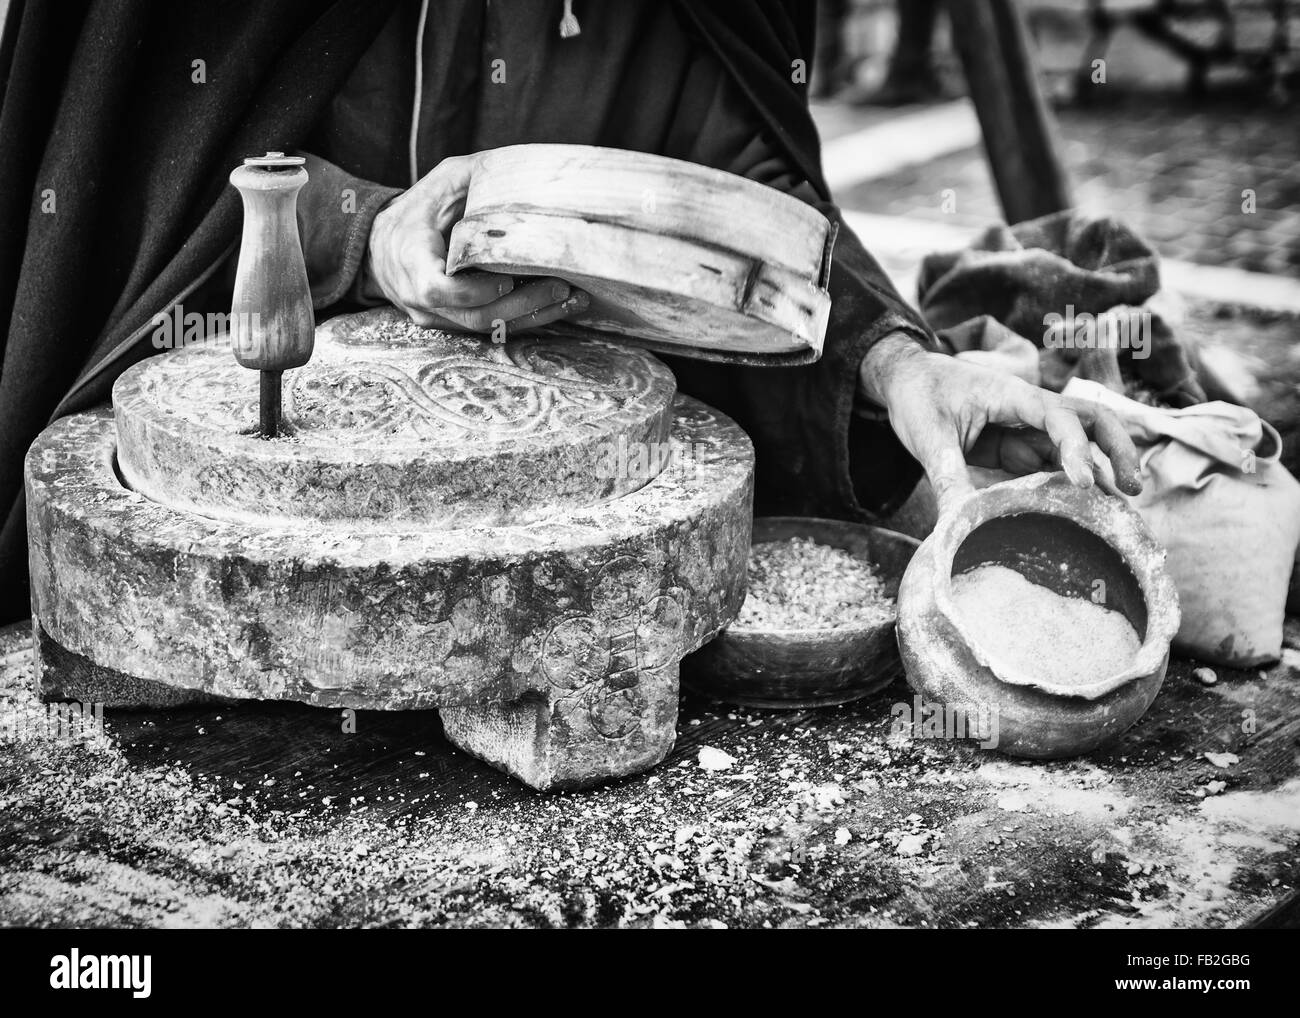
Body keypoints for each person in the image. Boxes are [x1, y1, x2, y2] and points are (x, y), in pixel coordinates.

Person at [0, 0, 1140, 624]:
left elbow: (739, 207)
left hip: (571, 486)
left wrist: (899, 363)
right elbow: (142, 180)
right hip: (284, 474)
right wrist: (364, 234)